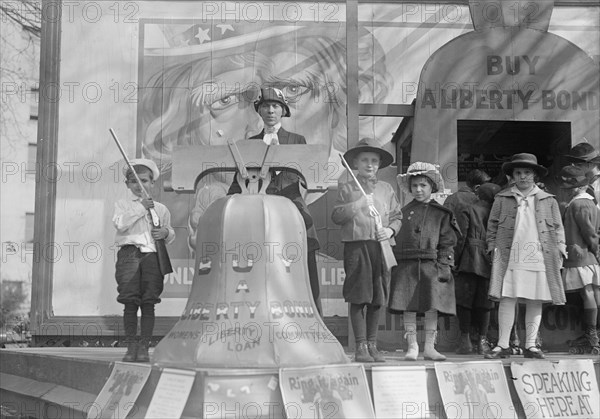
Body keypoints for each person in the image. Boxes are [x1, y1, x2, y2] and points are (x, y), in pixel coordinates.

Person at [228, 87, 323, 315]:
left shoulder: (298, 141)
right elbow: (235, 184)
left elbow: (311, 175)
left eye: (275, 106)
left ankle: (313, 323)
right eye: (266, 106)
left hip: (292, 207)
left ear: (283, 111)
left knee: (304, 263)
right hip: (260, 212)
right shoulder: (249, 144)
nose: (271, 110)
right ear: (259, 111)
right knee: (260, 270)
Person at [485, 153, 566, 360]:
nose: (522, 177)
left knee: (535, 298)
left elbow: (557, 227)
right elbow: (492, 225)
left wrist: (561, 248)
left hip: (539, 254)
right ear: (511, 176)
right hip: (510, 254)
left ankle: (531, 345)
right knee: (507, 297)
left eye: (527, 173)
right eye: (518, 173)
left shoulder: (548, 200)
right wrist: (492, 246)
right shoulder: (502, 198)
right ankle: (502, 344)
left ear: (535, 175)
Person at [331, 138, 402, 362]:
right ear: (355, 162)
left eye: (374, 160)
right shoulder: (347, 187)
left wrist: (390, 231)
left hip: (381, 248)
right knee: (359, 296)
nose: (369, 164)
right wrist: (358, 203)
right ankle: (360, 347)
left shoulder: (387, 189)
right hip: (357, 247)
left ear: (379, 164)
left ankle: (373, 345)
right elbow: (337, 216)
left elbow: (397, 216)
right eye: (364, 160)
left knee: (377, 297)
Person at [389, 162, 459, 361]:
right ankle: (412, 346)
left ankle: (429, 347)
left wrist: (445, 265)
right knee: (408, 304)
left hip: (432, 265)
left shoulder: (441, 214)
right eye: (414, 186)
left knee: (432, 305)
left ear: (432, 187)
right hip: (406, 264)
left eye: (423, 185)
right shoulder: (402, 213)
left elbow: (447, 241)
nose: (418, 190)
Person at [112, 159, 175, 362]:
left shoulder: (161, 209)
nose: (140, 186)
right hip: (129, 255)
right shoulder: (122, 205)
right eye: (134, 182)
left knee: (149, 302)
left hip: (152, 257)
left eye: (145, 181)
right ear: (127, 185)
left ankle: (144, 346)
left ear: (152, 183)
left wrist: (165, 232)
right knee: (130, 301)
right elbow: (121, 224)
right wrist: (141, 208)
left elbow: (169, 231)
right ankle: (131, 347)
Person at [454, 183, 501, 355]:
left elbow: (461, 237)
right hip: (489, 260)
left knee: (464, 302)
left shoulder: (468, 209)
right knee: (485, 304)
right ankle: (482, 341)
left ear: (477, 194)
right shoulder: (496, 213)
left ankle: (465, 341)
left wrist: (456, 260)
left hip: (469, 259)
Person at [558, 166, 600, 354]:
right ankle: (594, 333)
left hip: (581, 254)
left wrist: (595, 248)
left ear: (575, 188)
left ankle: (591, 335)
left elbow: (589, 232)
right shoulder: (590, 202)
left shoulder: (578, 204)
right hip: (587, 254)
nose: (565, 191)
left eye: (567, 188)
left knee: (587, 293)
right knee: (594, 292)